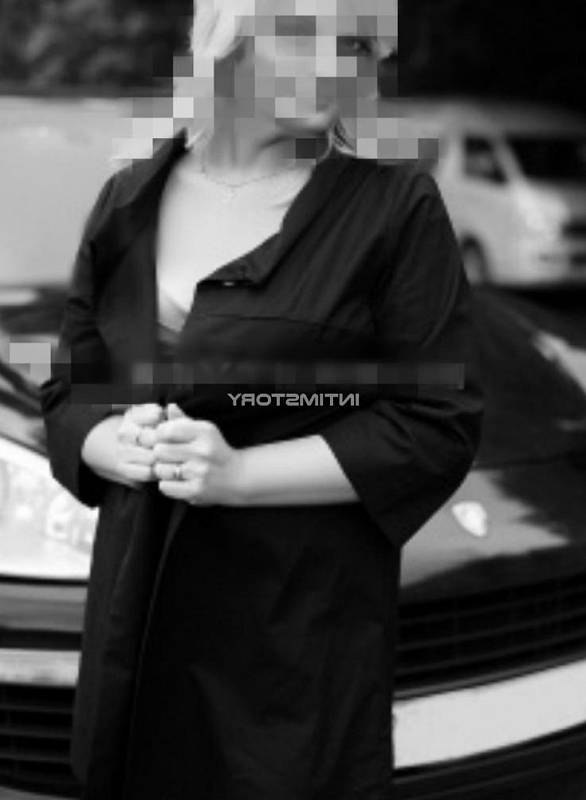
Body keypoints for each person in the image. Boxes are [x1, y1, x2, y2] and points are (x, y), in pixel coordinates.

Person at [39, 1, 485, 798]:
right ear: (230, 39)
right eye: (301, 34)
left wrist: (241, 475)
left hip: (291, 654)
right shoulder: (128, 200)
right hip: (133, 635)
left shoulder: (395, 210)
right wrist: (112, 444)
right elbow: (72, 388)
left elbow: (436, 424)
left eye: (355, 45)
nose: (335, 65)